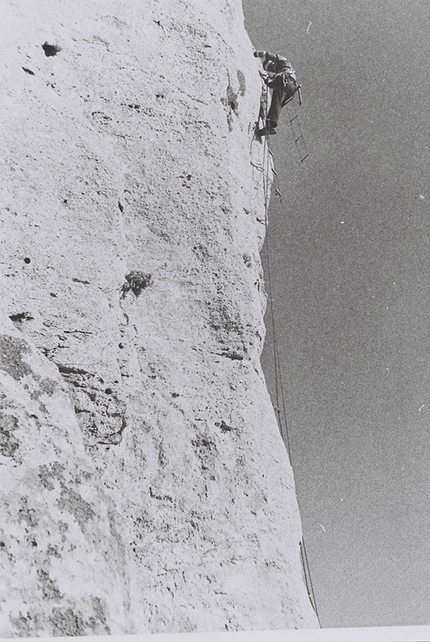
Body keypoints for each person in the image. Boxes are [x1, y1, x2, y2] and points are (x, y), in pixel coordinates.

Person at [254, 50, 299, 136]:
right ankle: (268, 127)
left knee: (276, 102)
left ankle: (270, 126)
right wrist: (266, 79)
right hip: (290, 87)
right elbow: (272, 84)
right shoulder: (282, 72)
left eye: (271, 67)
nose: (273, 69)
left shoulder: (284, 63)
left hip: (286, 81)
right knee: (276, 103)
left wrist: (258, 54)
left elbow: (273, 56)